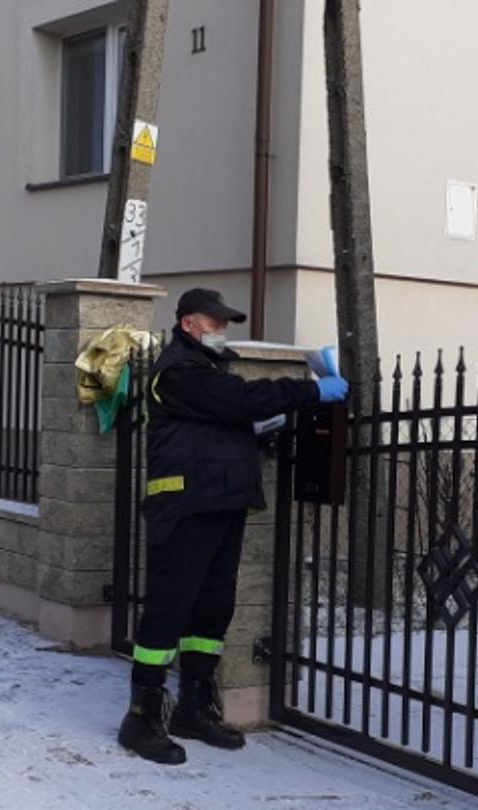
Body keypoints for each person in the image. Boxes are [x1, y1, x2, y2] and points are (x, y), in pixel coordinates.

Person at [117, 288, 349, 765]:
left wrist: (264, 429)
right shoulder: (176, 371)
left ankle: (194, 707)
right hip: (184, 507)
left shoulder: (208, 371)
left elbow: (227, 418)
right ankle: (141, 717)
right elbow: (236, 400)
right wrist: (308, 389)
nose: (222, 329)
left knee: (211, 610)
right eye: (214, 321)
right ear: (188, 324)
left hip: (222, 504)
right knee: (169, 609)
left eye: (225, 322)